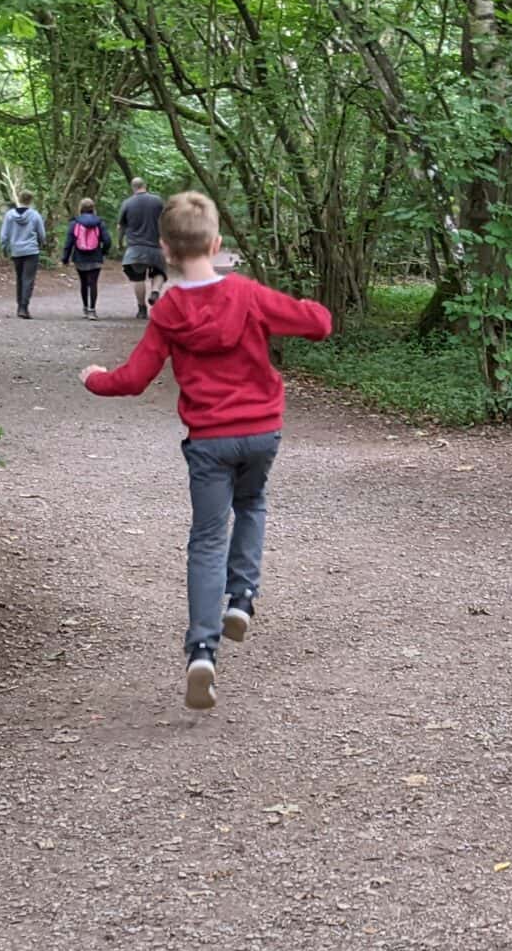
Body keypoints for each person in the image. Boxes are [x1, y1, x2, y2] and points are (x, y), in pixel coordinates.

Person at [79, 191, 331, 710]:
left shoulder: (169, 308)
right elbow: (319, 323)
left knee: (207, 539)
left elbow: (133, 380)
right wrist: (303, 309)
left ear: (166, 251)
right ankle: (242, 598)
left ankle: (201, 651)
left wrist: (95, 380)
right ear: (216, 243)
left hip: (209, 442)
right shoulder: (247, 294)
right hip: (262, 432)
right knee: (254, 504)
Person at [117, 177, 166, 319]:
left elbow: (121, 226)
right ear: (145, 185)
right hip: (155, 246)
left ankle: (142, 309)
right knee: (160, 271)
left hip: (135, 248)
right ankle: (155, 291)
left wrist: (119, 243)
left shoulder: (127, 203)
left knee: (138, 278)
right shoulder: (157, 201)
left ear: (133, 187)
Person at [0, 191, 46, 318]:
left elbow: (4, 234)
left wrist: (4, 248)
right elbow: (41, 234)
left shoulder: (9, 215)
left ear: (19, 199)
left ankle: (20, 306)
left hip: (16, 251)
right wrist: (41, 244)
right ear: (31, 200)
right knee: (28, 279)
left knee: (20, 278)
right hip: (31, 251)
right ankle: (24, 307)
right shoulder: (35, 215)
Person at [61, 198, 110, 317]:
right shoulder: (99, 222)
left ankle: (85, 308)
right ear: (93, 208)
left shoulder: (75, 223)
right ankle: (92, 310)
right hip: (95, 257)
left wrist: (65, 258)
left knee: (83, 283)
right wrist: (103, 252)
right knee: (93, 283)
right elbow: (107, 240)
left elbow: (69, 243)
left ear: (80, 208)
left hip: (80, 257)